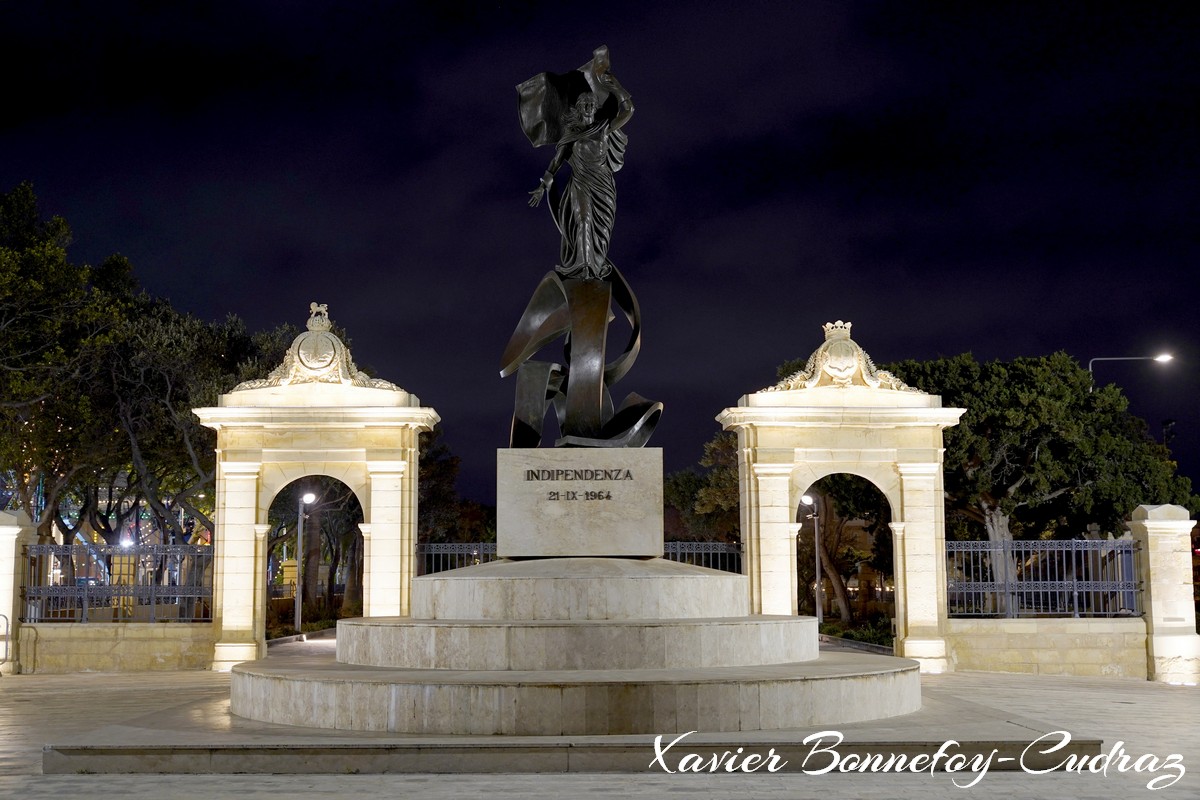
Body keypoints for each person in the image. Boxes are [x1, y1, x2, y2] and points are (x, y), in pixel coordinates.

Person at [526, 50, 633, 280]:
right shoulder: (571, 134)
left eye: (590, 104)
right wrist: (543, 185)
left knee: (600, 231)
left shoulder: (604, 128)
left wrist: (617, 88)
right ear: (578, 108)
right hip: (581, 183)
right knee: (583, 219)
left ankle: (595, 267)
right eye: (583, 104)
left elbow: (628, 111)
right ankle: (583, 268)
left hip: (604, 186)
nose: (587, 107)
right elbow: (557, 161)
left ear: (594, 108)